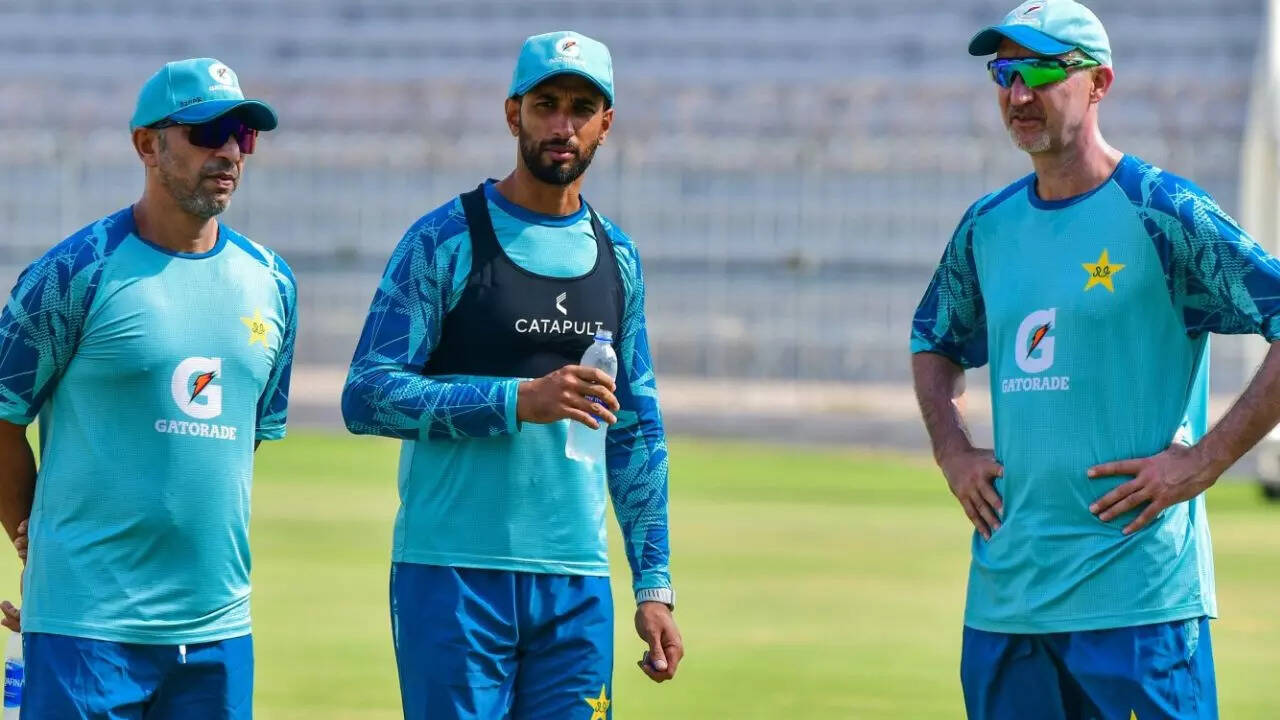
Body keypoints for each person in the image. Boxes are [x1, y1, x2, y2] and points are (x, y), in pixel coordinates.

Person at [910, 1, 1280, 717]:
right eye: (1005, 74)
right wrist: (952, 450)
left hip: (1138, 603)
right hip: (1008, 604)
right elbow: (934, 338)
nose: (1019, 94)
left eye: (1043, 72)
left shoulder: (1163, 211)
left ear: (1100, 82)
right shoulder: (987, 226)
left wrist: (1205, 462)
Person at [342, 30, 681, 719]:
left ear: (606, 124)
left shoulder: (618, 256)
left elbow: (636, 427)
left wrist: (654, 585)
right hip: (452, 573)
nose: (563, 125)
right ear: (512, 114)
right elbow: (367, 395)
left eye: (582, 108)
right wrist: (516, 400)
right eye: (546, 105)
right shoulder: (444, 239)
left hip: (576, 583)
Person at [0, 58, 295, 718]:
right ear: (146, 144)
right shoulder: (73, 272)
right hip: (86, 630)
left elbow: (239, 440)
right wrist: (37, 543)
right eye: (208, 132)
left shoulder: (273, 283)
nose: (229, 152)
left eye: (242, 135)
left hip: (218, 630)